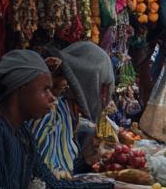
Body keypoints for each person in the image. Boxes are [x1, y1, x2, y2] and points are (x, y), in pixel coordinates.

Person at [0, 50, 149, 189]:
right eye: (45, 90)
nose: (52, 98)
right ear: (21, 88)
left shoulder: (22, 132)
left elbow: (54, 187)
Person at [34, 41, 116, 178]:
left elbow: (64, 168)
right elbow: (47, 176)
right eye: (101, 86)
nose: (103, 97)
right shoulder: (49, 111)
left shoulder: (68, 112)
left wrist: (89, 160)